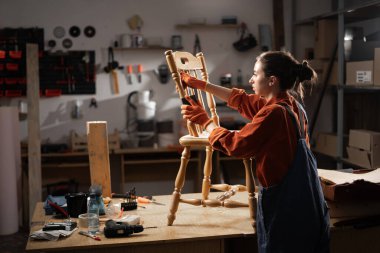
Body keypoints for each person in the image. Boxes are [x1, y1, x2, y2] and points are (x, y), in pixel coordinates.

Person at [180, 50, 330, 253]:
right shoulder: (290, 105)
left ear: (272, 80)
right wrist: (202, 85)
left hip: (286, 205)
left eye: (256, 74)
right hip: (306, 200)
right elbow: (242, 101)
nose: (251, 79)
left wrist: (205, 121)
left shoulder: (274, 113)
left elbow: (236, 144)